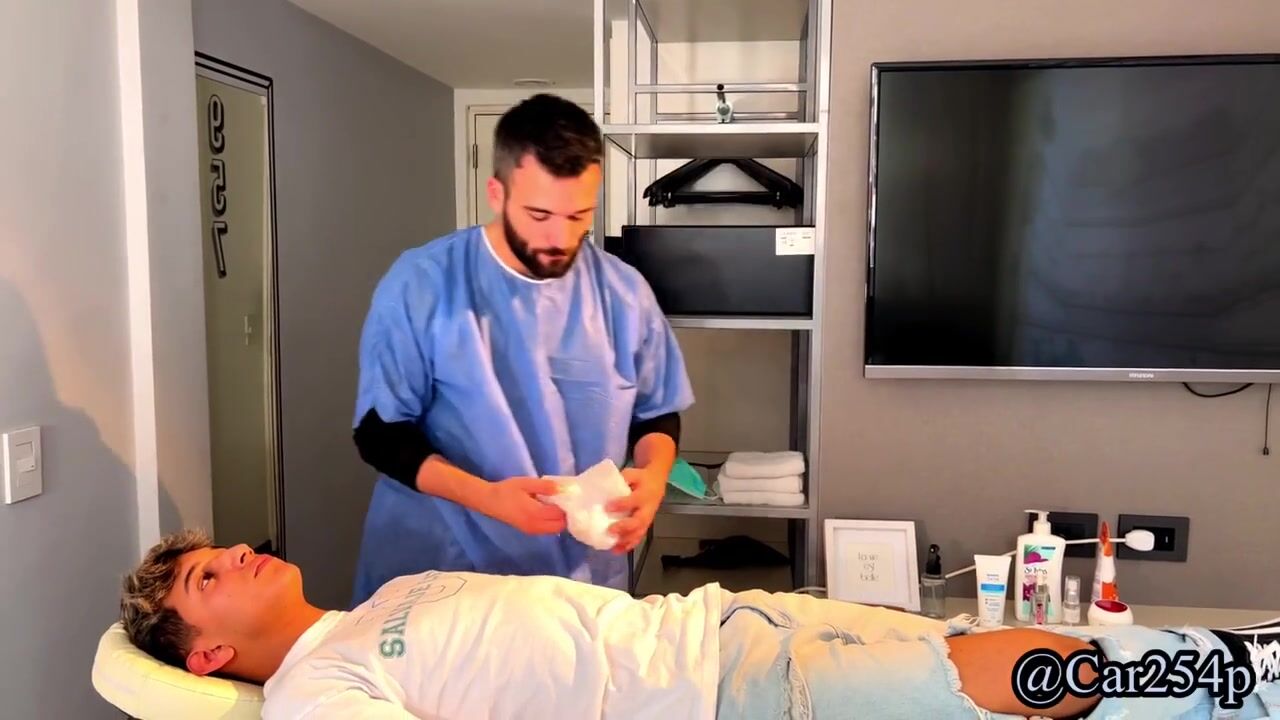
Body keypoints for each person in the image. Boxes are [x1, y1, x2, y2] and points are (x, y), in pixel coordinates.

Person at [121, 531, 1280, 720]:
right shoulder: (310, 692)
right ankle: (1232, 685)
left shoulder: (382, 599)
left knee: (949, 651)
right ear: (208, 654)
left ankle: (1219, 670)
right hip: (710, 698)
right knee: (964, 686)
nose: (236, 556)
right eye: (207, 579)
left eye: (220, 548)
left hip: (717, 622)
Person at [348, 93, 694, 604]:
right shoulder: (423, 283)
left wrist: (654, 476)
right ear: (497, 192)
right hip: (444, 569)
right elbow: (380, 433)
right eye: (539, 214)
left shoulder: (623, 292)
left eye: (579, 215)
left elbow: (655, 413)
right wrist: (488, 499)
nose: (560, 238)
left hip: (577, 575)